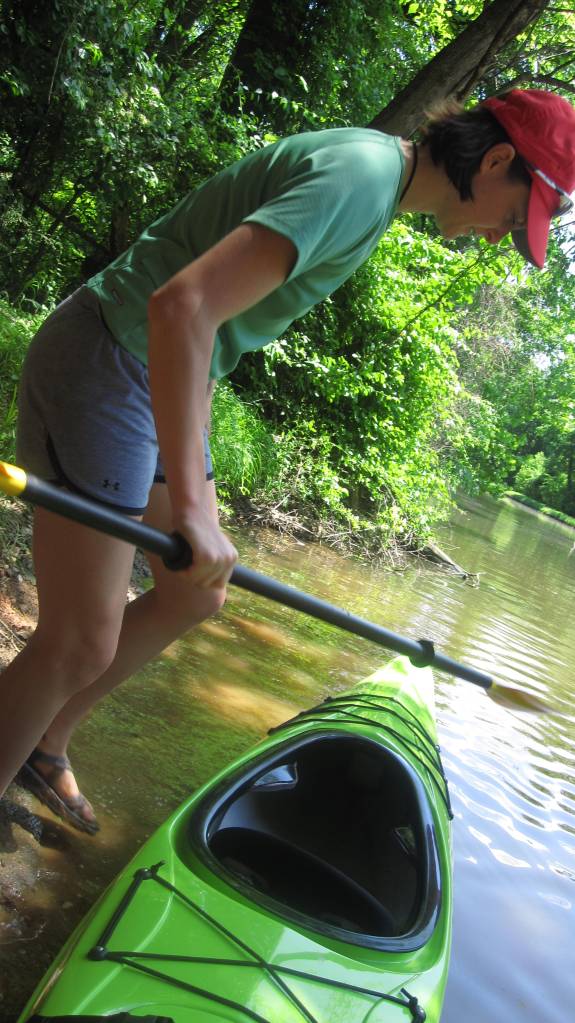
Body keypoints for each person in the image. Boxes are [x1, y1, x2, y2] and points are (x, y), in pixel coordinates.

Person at [1, 88, 574, 833]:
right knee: (80, 638)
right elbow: (181, 306)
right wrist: (198, 512)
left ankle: (42, 744)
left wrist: (194, 483)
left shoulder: (379, 189)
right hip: (111, 360)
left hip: (152, 377)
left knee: (192, 592)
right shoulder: (360, 180)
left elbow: (206, 332)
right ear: (496, 159)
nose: (502, 237)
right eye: (512, 215)